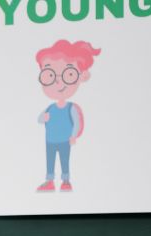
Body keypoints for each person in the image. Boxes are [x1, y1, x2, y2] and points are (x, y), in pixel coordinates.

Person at [35, 39, 101, 193]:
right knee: (50, 161)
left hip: (64, 140)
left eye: (69, 74)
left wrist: (73, 136)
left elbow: (76, 123)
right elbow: (40, 119)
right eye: (49, 75)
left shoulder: (71, 108)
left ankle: (66, 181)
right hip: (50, 140)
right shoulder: (50, 107)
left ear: (82, 76)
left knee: (64, 160)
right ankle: (49, 181)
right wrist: (43, 118)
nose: (58, 81)